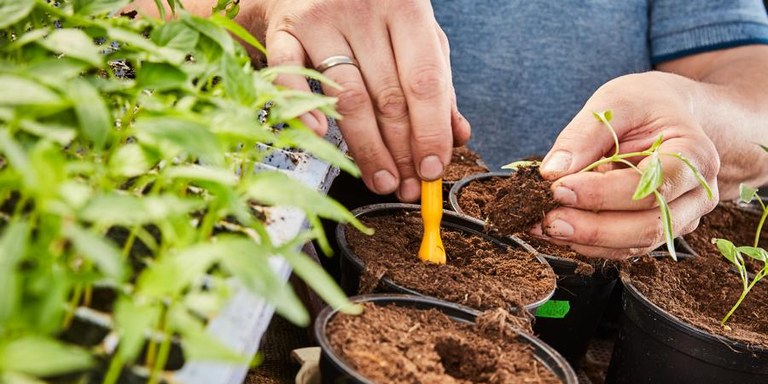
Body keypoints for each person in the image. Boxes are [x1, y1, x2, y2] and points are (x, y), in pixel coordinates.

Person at [134, 0, 768, 259]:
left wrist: (699, 114)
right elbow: (79, 24)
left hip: (581, 284)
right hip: (251, 258)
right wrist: (259, 6)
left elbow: (751, 81)